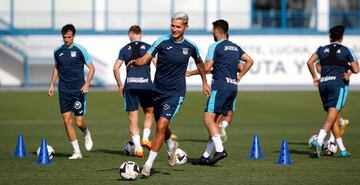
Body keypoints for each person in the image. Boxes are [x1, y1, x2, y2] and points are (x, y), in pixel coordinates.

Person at [127, 12, 210, 177]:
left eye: (178, 26)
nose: (174, 29)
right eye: (172, 26)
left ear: (186, 27)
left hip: (175, 93)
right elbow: (145, 59)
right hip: (157, 91)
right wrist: (135, 62)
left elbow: (200, 63)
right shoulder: (161, 41)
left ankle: (147, 166)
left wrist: (204, 82)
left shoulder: (191, 46)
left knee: (161, 127)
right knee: (161, 125)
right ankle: (171, 145)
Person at [187, 19, 254, 165]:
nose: (212, 32)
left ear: (217, 30)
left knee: (208, 120)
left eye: (212, 30)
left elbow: (206, 67)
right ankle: (205, 156)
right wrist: (240, 76)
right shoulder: (235, 48)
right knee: (216, 123)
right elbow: (249, 61)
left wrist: (190, 73)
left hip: (220, 88)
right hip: (232, 88)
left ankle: (220, 150)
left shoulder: (215, 46)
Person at [307, 25, 359, 158]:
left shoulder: (322, 49)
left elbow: (310, 62)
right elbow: (356, 68)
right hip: (338, 85)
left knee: (334, 117)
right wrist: (348, 74)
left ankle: (342, 149)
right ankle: (318, 141)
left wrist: (315, 77)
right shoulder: (347, 50)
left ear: (330, 37)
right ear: (342, 38)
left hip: (323, 84)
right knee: (332, 117)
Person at [48, 24, 95, 159]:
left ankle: (86, 133)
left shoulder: (80, 50)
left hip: (78, 91)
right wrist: (52, 84)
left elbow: (92, 68)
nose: (66, 40)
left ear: (73, 36)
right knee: (66, 121)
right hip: (63, 91)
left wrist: (87, 84)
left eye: (69, 37)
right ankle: (77, 152)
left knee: (79, 122)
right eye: (64, 37)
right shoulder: (57, 51)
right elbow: (57, 68)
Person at [113, 25, 156, 157]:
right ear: (141, 35)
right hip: (146, 85)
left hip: (130, 86)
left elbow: (115, 68)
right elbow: (157, 65)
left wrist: (120, 85)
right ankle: (145, 138)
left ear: (130, 35)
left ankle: (138, 148)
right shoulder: (150, 47)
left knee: (133, 118)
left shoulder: (124, 49)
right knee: (150, 112)